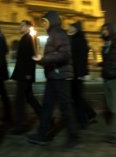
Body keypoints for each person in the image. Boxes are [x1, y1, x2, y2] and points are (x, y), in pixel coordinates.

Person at [27, 11, 79, 149]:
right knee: (47, 107)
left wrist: (45, 59)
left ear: (52, 21)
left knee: (65, 108)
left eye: (45, 21)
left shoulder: (59, 34)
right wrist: (41, 60)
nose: (43, 24)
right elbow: (50, 57)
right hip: (53, 76)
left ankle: (73, 137)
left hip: (60, 76)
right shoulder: (52, 35)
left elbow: (64, 55)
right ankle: (42, 136)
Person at [9, 20, 42, 135]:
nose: (19, 27)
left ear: (28, 27)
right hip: (23, 74)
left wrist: (28, 74)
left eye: (22, 25)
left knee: (19, 100)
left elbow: (30, 59)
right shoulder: (26, 38)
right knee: (29, 97)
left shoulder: (29, 39)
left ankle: (21, 124)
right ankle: (45, 117)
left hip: (24, 75)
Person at [67, 21, 97, 129]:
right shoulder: (73, 38)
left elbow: (81, 59)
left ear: (75, 28)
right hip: (73, 72)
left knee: (77, 97)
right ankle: (90, 113)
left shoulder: (80, 40)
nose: (68, 28)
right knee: (76, 96)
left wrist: (80, 73)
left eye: (70, 26)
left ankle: (83, 121)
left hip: (77, 73)